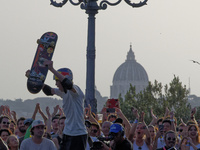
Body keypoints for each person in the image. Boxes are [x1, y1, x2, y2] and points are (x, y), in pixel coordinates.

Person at [26, 60, 88, 150]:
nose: (56, 84)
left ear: (62, 82)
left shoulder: (75, 92)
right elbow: (49, 91)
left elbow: (69, 84)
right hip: (67, 133)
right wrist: (33, 78)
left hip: (78, 134)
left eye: (57, 81)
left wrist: (52, 69)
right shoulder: (63, 92)